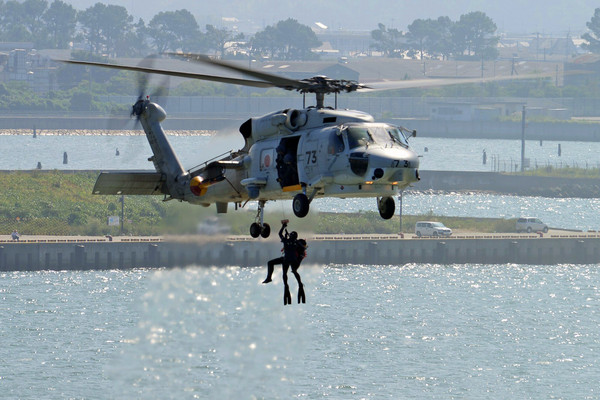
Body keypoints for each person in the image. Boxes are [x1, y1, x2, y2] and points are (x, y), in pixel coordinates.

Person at [263, 220, 307, 305]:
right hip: (294, 260)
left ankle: (271, 279)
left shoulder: (286, 241)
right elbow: (302, 246)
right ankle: (300, 284)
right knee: (294, 271)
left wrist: (283, 227)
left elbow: (280, 234)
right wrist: (288, 236)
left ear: (291, 236)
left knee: (272, 264)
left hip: (286, 260)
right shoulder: (296, 243)